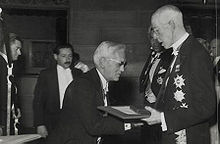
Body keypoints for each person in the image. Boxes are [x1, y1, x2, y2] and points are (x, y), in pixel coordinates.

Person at [142, 5, 216, 144]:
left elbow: (206, 106)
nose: (156, 37)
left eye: (157, 30)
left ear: (171, 24)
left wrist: (163, 118)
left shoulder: (196, 54)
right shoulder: (176, 53)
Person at [46, 41, 134, 144]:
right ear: (102, 62)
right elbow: (94, 125)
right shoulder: (84, 85)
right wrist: (130, 123)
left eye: (125, 64)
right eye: (120, 63)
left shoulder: (99, 83)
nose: (122, 69)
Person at [33, 43, 83, 139]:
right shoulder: (46, 75)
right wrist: (40, 124)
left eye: (70, 56)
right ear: (56, 57)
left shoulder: (78, 73)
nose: (67, 59)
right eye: (63, 56)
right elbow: (38, 101)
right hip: (52, 120)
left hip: (74, 119)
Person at [139, 26, 173, 144]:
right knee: (147, 136)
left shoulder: (169, 57)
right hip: (148, 102)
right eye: (152, 39)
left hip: (160, 104)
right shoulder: (153, 55)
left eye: (157, 39)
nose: (154, 42)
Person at [0, 32, 22, 135]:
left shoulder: (8, 66)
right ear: (6, 47)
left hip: (7, 119)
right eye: (17, 48)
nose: (20, 53)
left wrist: (15, 108)